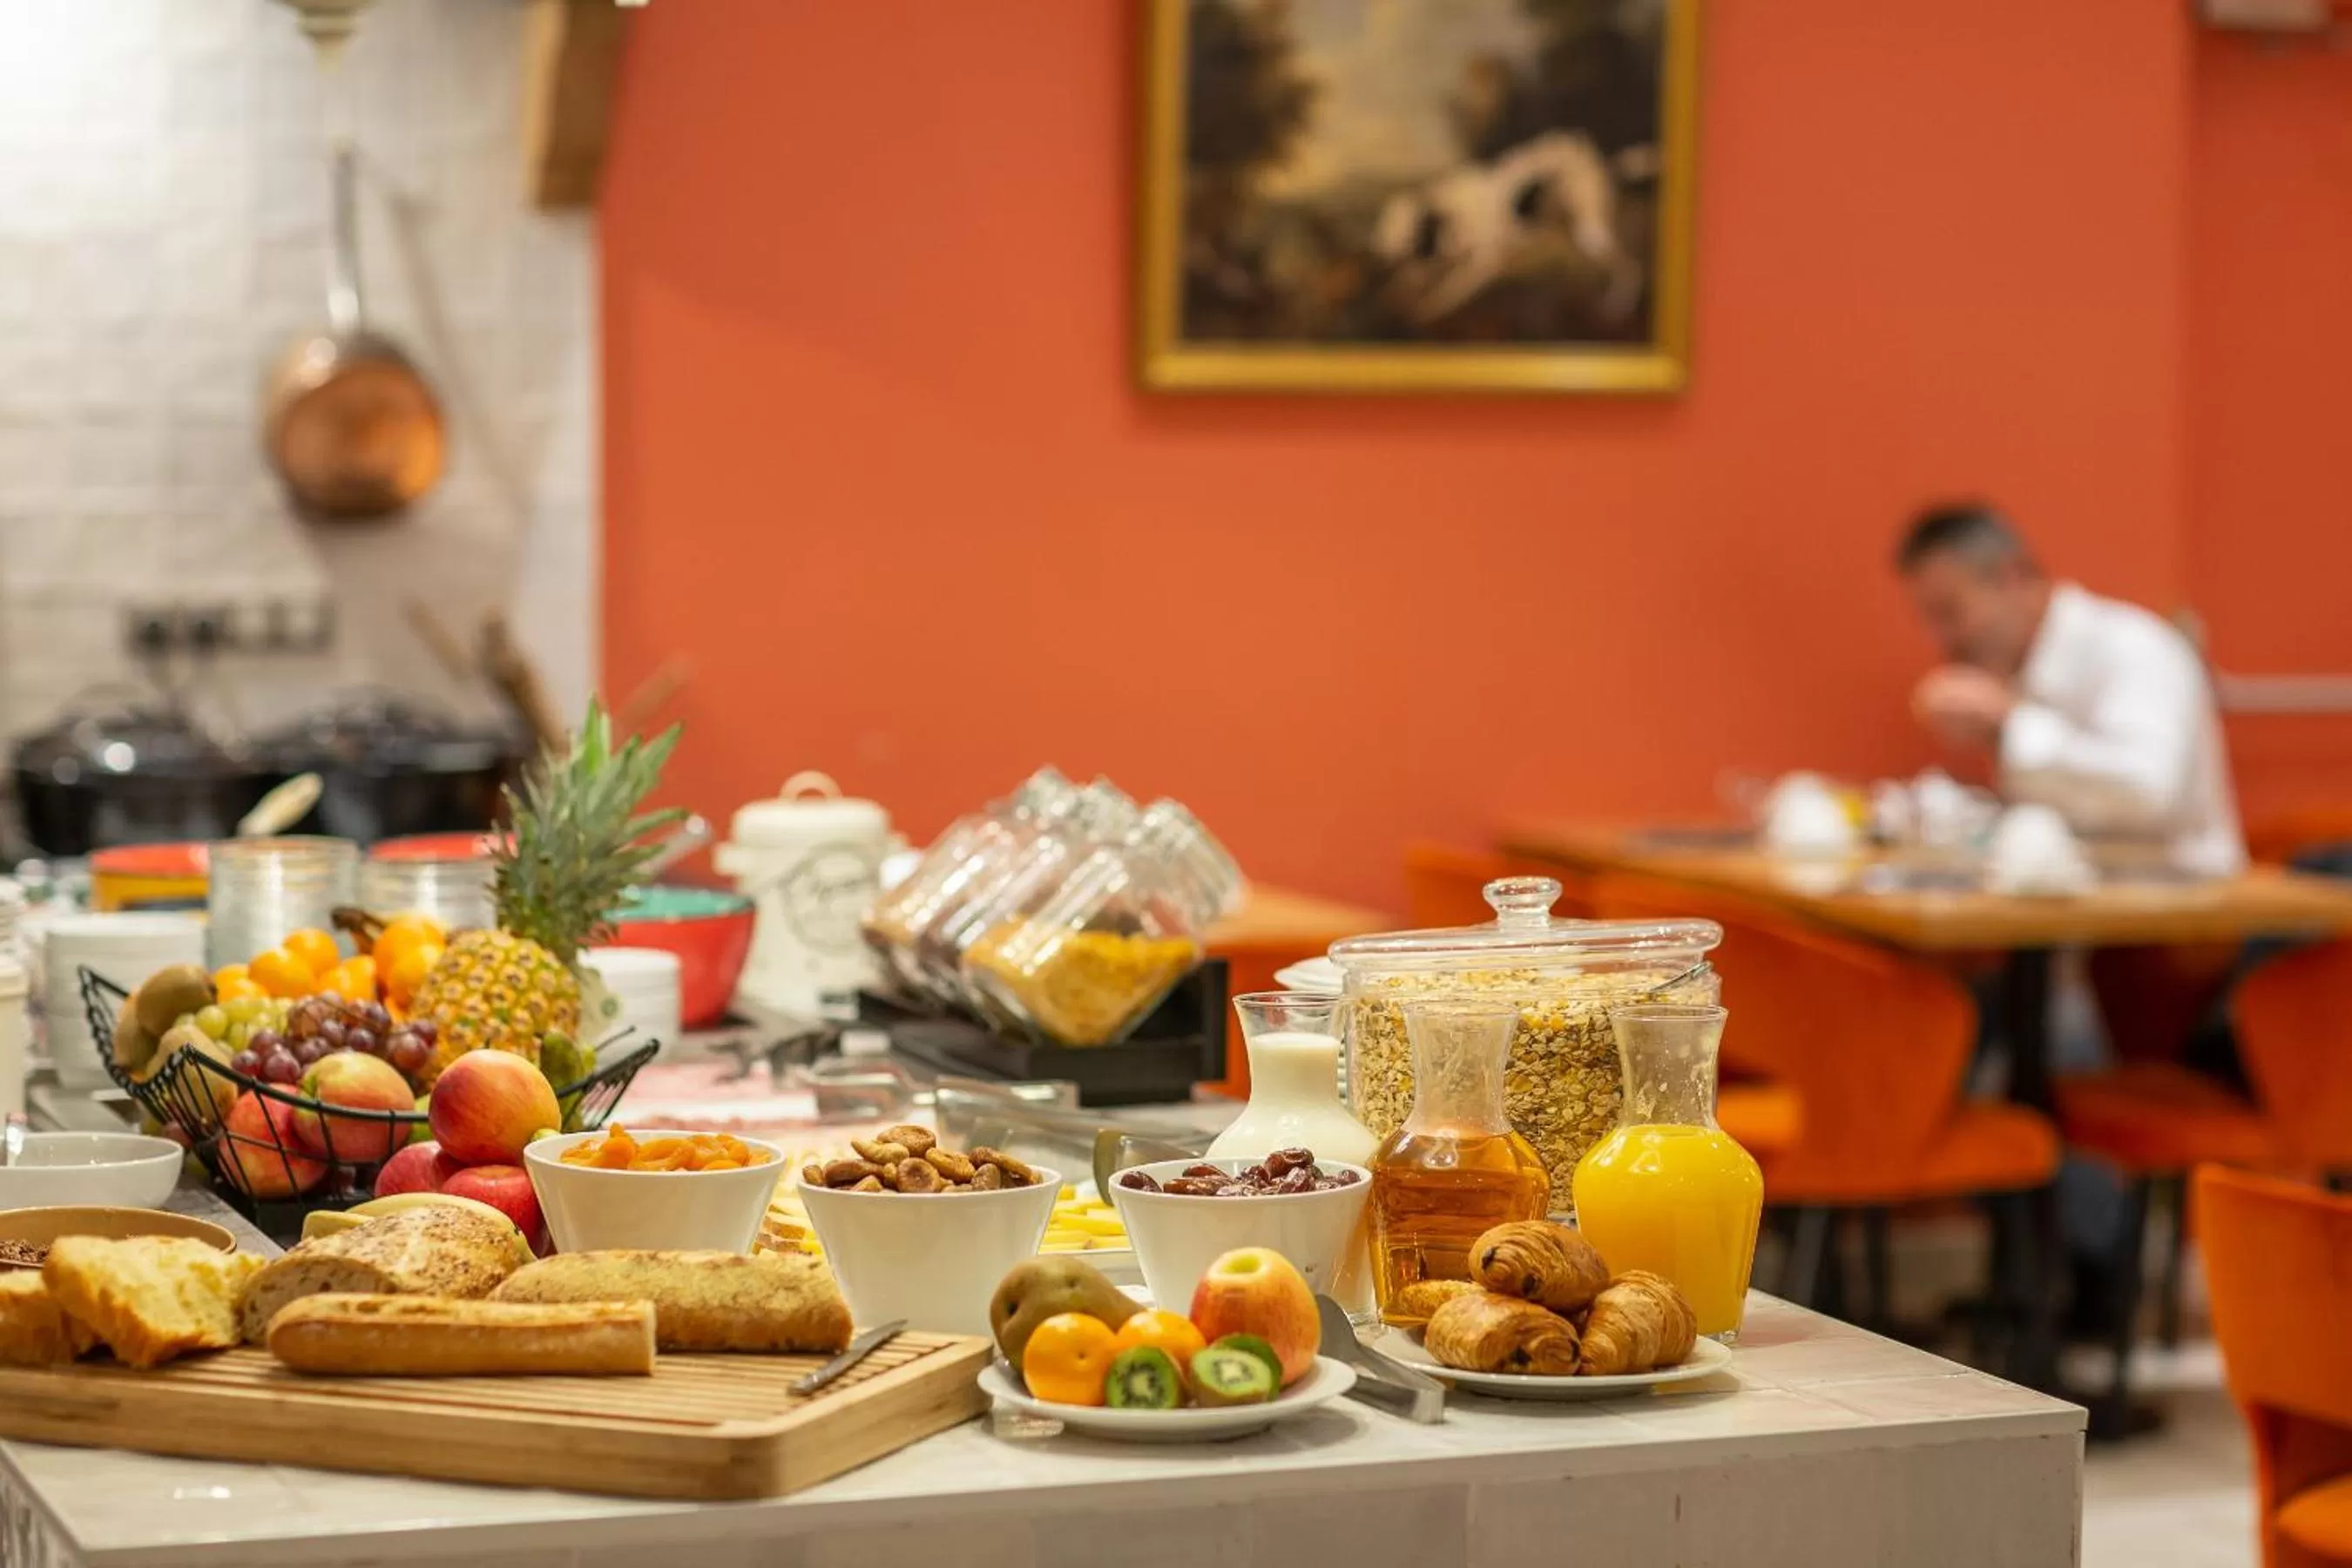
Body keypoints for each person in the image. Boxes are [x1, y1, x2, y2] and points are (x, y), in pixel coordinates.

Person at [1896, 503, 2246, 877]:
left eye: (1950, 613)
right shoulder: (2020, 672)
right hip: (2087, 912)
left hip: (2187, 916)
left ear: (2010, 578)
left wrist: (2008, 725)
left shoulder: (2132, 646)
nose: (1941, 640)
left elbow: (2147, 792)